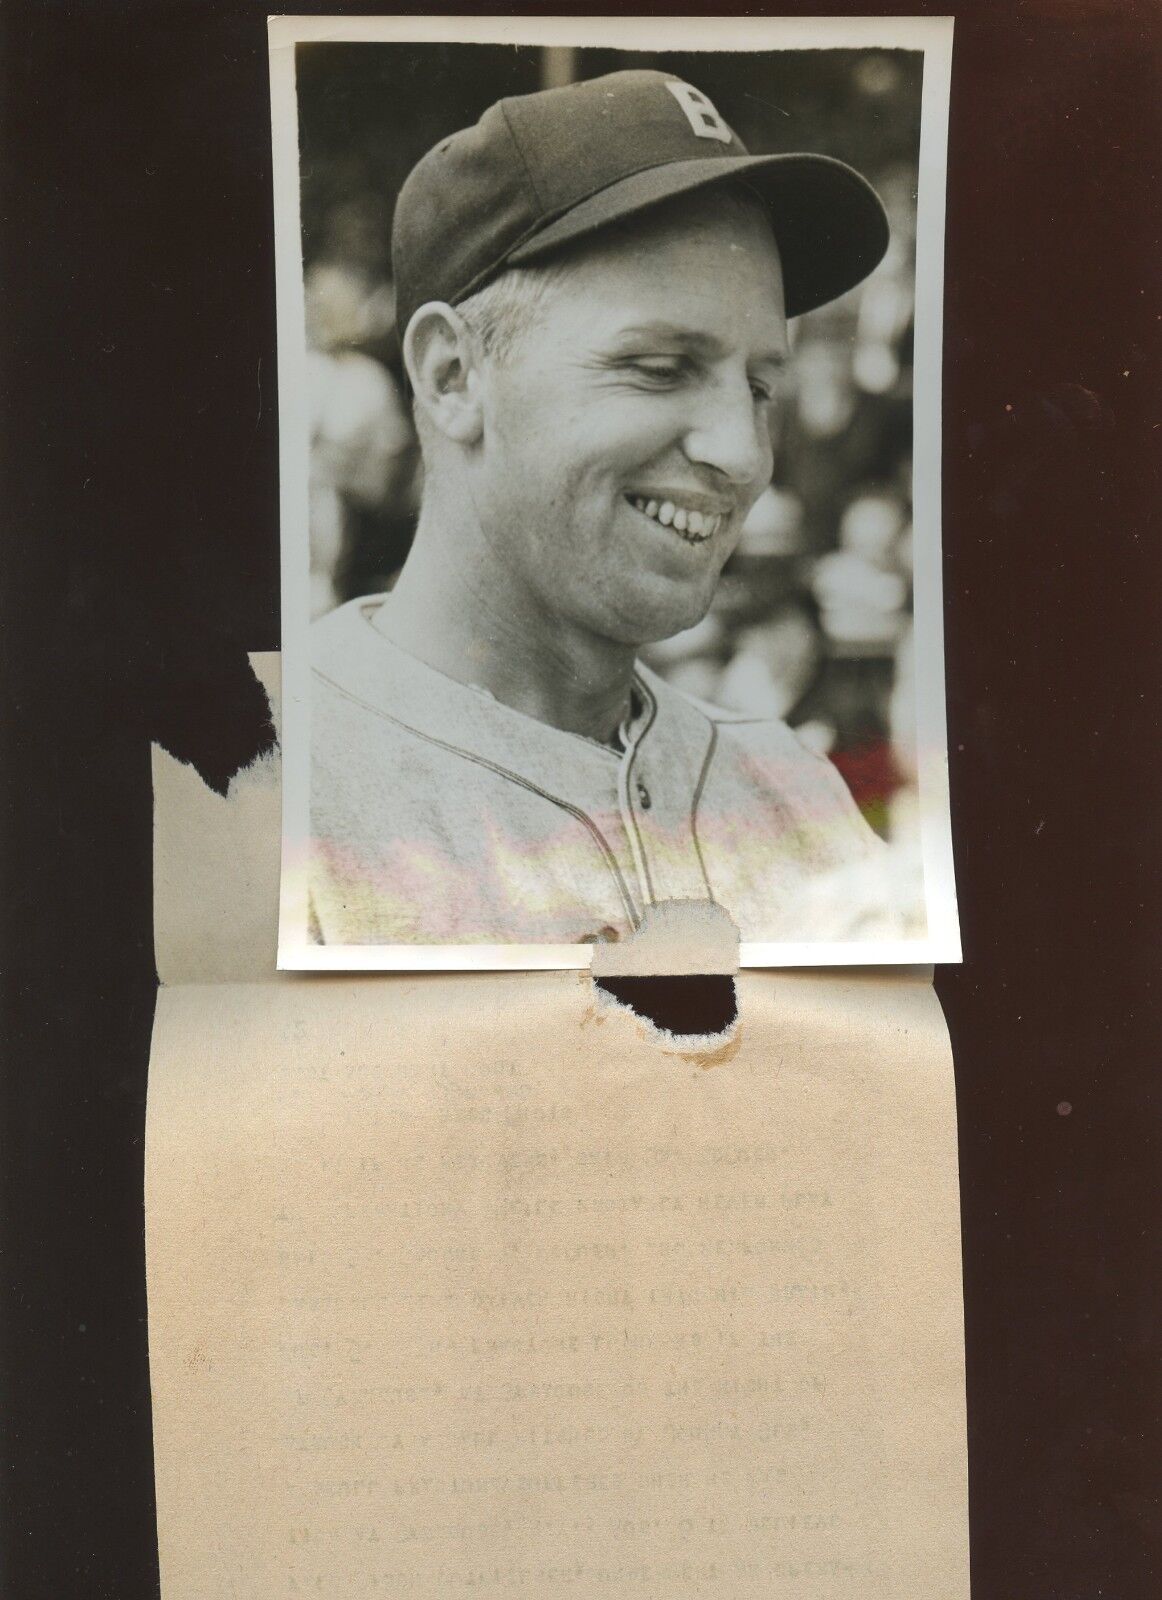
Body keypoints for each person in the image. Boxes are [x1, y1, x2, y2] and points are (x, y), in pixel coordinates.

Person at [309, 68, 903, 946]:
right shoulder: (274, 788)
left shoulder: (795, 796)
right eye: (660, 369)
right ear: (451, 375)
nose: (741, 454)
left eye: (760, 385)